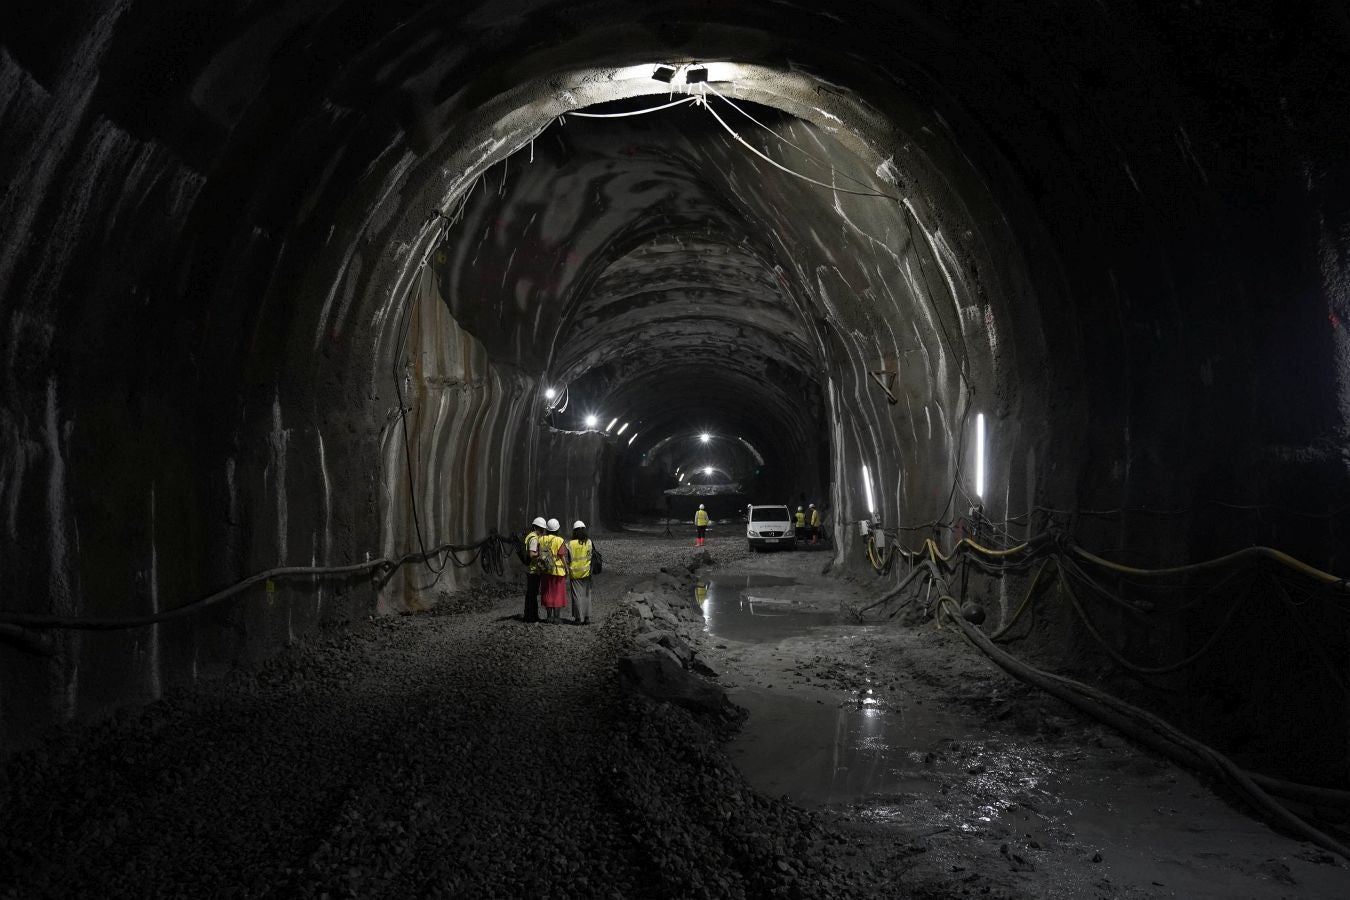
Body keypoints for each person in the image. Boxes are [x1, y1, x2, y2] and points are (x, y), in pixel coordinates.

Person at [538, 518, 569, 623]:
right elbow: (562, 556)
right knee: (558, 594)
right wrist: (566, 568)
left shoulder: (541, 539)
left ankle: (548, 617)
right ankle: (556, 617)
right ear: (557, 529)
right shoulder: (559, 540)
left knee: (547, 593)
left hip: (545, 571)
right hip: (558, 572)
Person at [567, 520, 594, 625]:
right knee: (587, 595)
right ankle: (587, 618)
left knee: (577, 596)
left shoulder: (570, 544)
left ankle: (578, 618)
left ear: (574, 531)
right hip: (587, 573)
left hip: (575, 574)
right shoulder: (589, 542)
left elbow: (568, 559)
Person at [522, 516, 547, 623]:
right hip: (533, 570)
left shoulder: (531, 536)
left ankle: (529, 616)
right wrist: (541, 553)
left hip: (531, 570)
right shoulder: (534, 538)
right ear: (536, 527)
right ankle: (532, 617)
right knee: (532, 594)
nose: (543, 530)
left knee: (530, 594)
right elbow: (532, 554)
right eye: (541, 528)